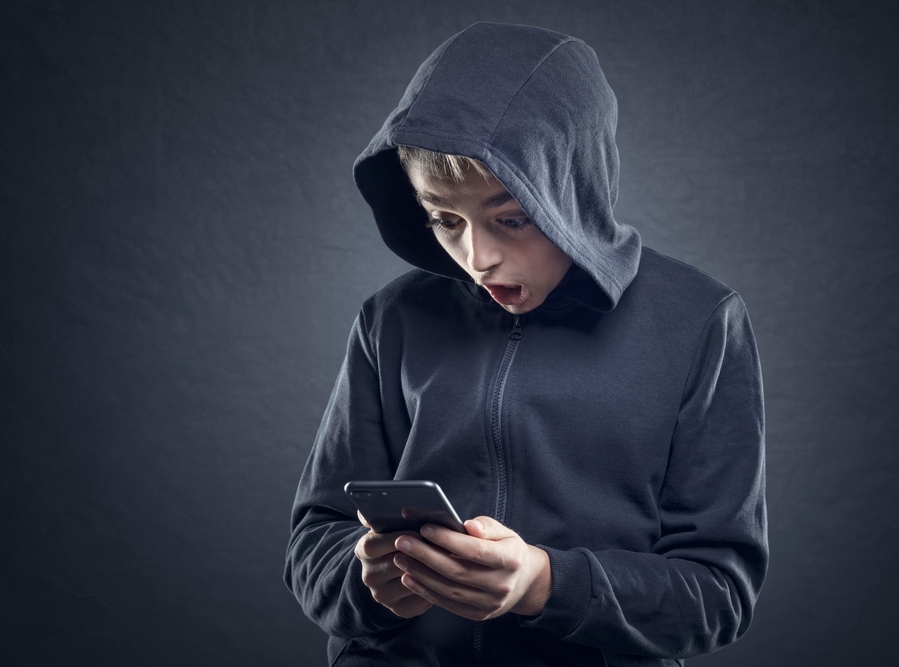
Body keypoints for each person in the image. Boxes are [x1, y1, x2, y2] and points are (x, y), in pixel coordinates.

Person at [284, 22, 767, 667]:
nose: (477, 258)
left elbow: (717, 593)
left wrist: (543, 584)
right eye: (444, 220)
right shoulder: (392, 318)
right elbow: (314, 541)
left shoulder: (700, 321)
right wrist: (367, 584)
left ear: (572, 191)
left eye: (512, 218)